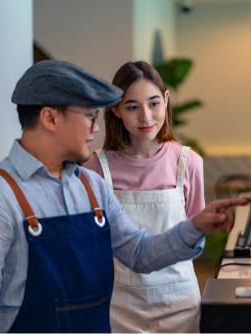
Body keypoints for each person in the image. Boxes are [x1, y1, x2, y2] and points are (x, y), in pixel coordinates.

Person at [0, 60, 249, 333]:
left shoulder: (91, 186)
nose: (97, 127)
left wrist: (196, 225)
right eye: (88, 116)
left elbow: (139, 252)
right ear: (49, 118)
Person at [84, 61, 204, 332]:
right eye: (132, 107)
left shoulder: (188, 163)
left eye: (153, 103)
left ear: (166, 100)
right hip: (119, 305)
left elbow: (197, 238)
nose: (146, 117)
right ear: (115, 110)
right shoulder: (95, 169)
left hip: (180, 305)